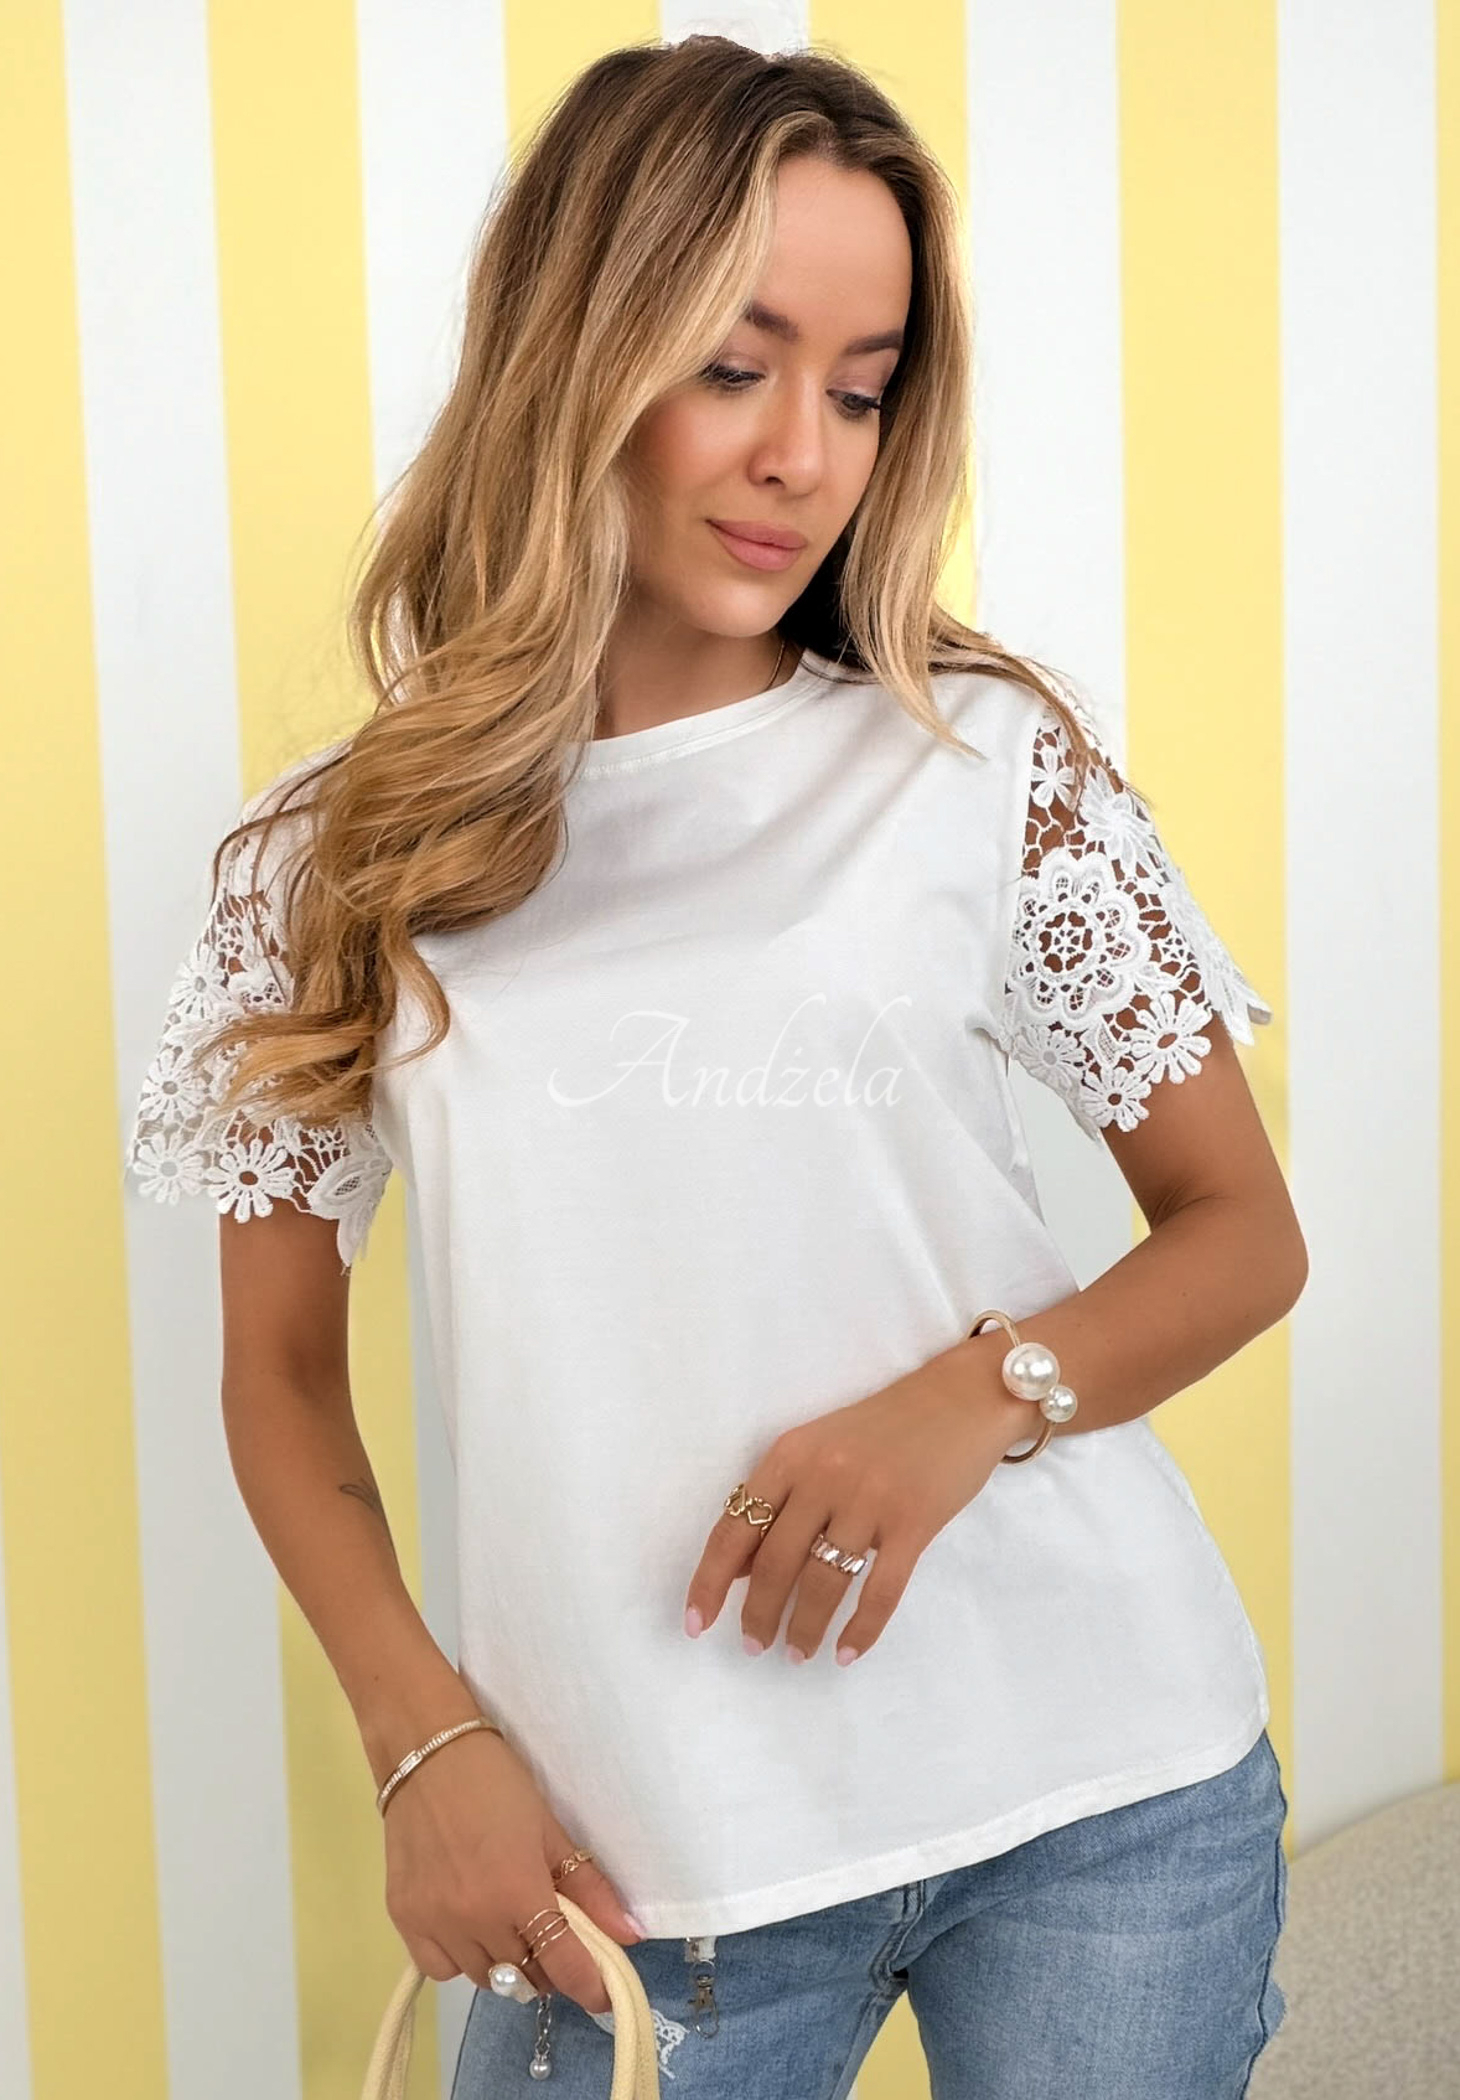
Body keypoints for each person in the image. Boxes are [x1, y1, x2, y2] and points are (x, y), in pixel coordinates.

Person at [122, 34, 1303, 2100]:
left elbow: (1240, 1235)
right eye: (735, 366)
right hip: (635, 1865)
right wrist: (423, 1738)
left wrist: (968, 1403)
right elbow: (278, 1376)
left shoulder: (977, 762)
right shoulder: (331, 863)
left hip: (1103, 1787)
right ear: (576, 353)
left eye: (860, 389)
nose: (800, 457)